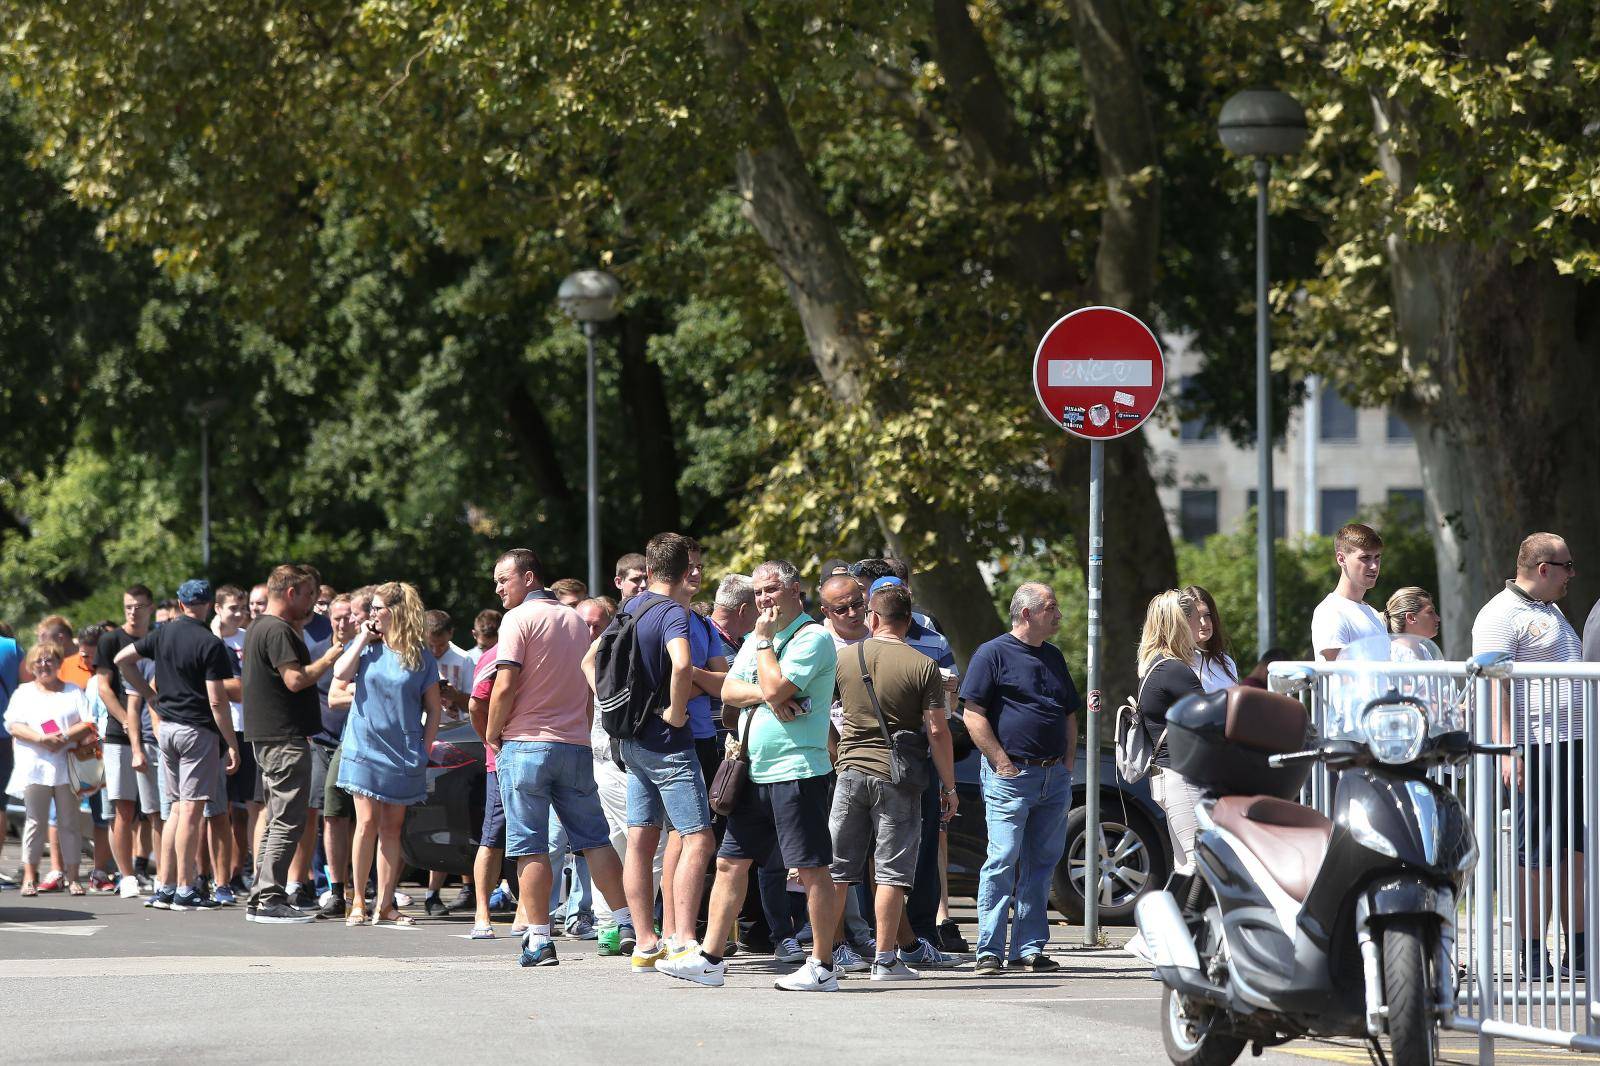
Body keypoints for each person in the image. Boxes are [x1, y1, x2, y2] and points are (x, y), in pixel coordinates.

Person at [673, 560, 840, 992]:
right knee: (729, 863)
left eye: (772, 590)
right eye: (759, 592)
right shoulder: (755, 640)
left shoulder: (813, 637)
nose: (764, 599)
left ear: (795, 590)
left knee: (811, 869)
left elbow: (775, 688)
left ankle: (822, 965)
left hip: (798, 770)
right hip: (753, 771)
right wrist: (768, 695)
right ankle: (709, 959)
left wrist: (765, 657)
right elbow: (729, 689)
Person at [484, 547, 628, 968]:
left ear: (528, 578)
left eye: (503, 580)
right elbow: (586, 687)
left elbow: (505, 682)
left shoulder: (518, 619)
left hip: (527, 744)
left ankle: (540, 939)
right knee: (594, 839)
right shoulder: (576, 620)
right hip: (574, 744)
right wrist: (580, 731)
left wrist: (493, 732)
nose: (498, 589)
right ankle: (624, 925)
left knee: (529, 845)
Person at [583, 532, 718, 971]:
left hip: (630, 742)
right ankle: (683, 941)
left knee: (640, 841)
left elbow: (591, 661)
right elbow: (681, 664)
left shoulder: (631, 607)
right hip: (667, 744)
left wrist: (610, 708)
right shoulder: (672, 613)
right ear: (688, 571)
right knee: (698, 838)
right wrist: (677, 712)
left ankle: (644, 942)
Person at [828, 583, 956, 982]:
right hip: (898, 777)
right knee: (891, 873)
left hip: (849, 772)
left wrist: (838, 754)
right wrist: (949, 787)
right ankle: (885, 960)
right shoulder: (923, 666)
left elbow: (818, 716)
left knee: (839, 871)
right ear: (908, 620)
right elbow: (937, 731)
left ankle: (824, 956)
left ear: (874, 617)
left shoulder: (846, 658)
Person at [1473, 532, 1584, 979]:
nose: (1571, 575)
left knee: (1574, 849)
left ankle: (1578, 950)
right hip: (1535, 746)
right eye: (1566, 567)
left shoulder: (1550, 609)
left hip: (1571, 744)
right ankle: (1532, 954)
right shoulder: (1500, 614)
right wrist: (1508, 748)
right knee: (1533, 853)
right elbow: (1494, 682)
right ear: (1543, 569)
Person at [960, 582, 1079, 976]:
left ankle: (1028, 948)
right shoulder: (992, 653)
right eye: (1051, 607)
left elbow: (1068, 713)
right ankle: (989, 950)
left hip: (1052, 777)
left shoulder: (1054, 657)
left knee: (1042, 863)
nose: (1058, 614)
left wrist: (1066, 763)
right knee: (1003, 858)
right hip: (1011, 775)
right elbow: (973, 713)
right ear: (1026, 613)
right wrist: (1001, 761)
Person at [116, 579, 239, 911]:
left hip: (166, 729)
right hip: (196, 730)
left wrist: (150, 695)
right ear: (209, 605)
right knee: (190, 811)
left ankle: (165, 886)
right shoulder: (210, 643)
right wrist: (231, 743)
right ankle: (185, 888)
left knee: (173, 811)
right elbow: (217, 700)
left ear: (182, 604)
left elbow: (122, 659)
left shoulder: (164, 633)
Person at [333, 581, 443, 927]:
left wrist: (424, 749)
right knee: (365, 822)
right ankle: (357, 902)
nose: (371, 614)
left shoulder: (420, 656)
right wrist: (363, 637)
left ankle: (385, 904)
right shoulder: (367, 647)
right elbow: (339, 674)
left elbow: (434, 709)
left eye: (378, 608)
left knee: (391, 828)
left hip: (403, 749)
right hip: (364, 745)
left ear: (395, 611)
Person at [242, 564, 344, 925]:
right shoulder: (278, 630)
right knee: (287, 821)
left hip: (269, 737)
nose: (312, 604)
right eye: (307, 595)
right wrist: (331, 657)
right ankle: (270, 897)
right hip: (284, 738)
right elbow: (296, 680)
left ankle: (262, 894)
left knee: (275, 820)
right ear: (290, 593)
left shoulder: (259, 627)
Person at [5, 642, 95, 896]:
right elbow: (13, 725)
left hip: (67, 765)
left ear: (58, 664)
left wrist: (65, 736)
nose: (45, 665)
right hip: (34, 766)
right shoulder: (23, 693)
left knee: (69, 822)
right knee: (35, 821)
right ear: (32, 666)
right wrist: (41, 738)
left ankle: (74, 877)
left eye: (50, 660)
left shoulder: (73, 691)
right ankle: (30, 877)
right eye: (39, 661)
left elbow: (89, 722)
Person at [98, 585, 163, 901]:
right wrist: (126, 719)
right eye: (128, 607)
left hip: (157, 735)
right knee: (123, 808)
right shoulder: (111, 640)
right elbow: (104, 688)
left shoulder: (158, 640)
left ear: (150, 608)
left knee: (157, 810)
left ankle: (164, 874)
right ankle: (126, 876)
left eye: (138, 606)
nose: (133, 612)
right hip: (118, 736)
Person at [1135, 590, 1206, 879]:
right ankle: (1156, 925)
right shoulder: (1176, 671)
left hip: (1169, 775)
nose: (1200, 626)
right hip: (1182, 776)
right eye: (1195, 619)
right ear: (1181, 623)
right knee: (1198, 865)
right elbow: (1214, 720)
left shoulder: (1154, 666)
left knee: (1186, 868)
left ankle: (1162, 925)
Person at [314, 593, 359, 918]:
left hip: (360, 743)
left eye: (348, 617)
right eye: (337, 617)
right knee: (330, 814)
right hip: (322, 741)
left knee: (365, 817)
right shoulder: (318, 653)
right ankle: (335, 888)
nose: (342, 623)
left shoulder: (365, 652)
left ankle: (364, 886)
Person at [1311, 523, 1386, 660]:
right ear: (1341, 559)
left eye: (1377, 557)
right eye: (1365, 558)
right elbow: (1339, 674)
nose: (1374, 566)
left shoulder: (1374, 614)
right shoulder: (1330, 611)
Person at [1182, 585, 1237, 692]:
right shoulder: (1178, 663)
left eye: (1207, 615)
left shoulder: (1227, 663)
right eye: (1197, 616)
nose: (1204, 623)